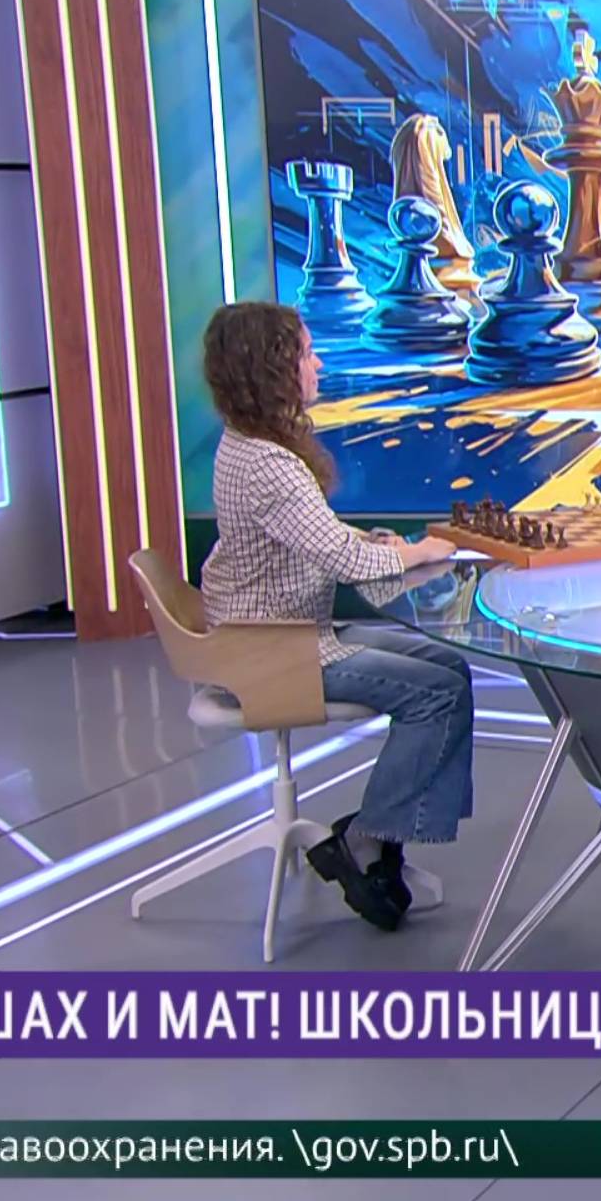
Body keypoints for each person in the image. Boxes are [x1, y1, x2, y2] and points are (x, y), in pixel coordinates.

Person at [197, 301, 472, 933]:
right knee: (437, 693)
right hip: (275, 655)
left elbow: (319, 537)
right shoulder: (268, 466)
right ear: (272, 371)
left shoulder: (250, 445)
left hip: (283, 634)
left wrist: (381, 544)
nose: (318, 364)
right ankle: (367, 840)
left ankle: (382, 836)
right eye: (306, 353)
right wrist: (422, 551)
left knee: (449, 667)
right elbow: (344, 561)